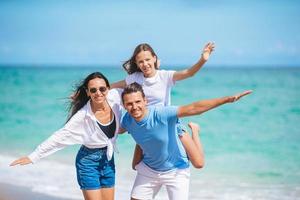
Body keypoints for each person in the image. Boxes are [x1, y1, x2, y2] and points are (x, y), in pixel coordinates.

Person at [120, 82, 252, 200]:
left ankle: (193, 131)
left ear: (145, 101)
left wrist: (227, 99)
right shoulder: (127, 120)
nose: (134, 107)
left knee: (199, 163)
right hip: (150, 168)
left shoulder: (161, 113)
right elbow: (111, 129)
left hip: (176, 169)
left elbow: (194, 108)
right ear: (124, 106)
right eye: (129, 104)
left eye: (138, 102)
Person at [10, 72, 123, 200]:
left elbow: (132, 83)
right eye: (93, 90)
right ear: (88, 92)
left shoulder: (115, 97)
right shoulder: (82, 116)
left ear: (108, 88)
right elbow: (59, 137)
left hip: (108, 160)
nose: (98, 93)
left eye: (102, 88)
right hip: (88, 163)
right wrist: (34, 156)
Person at [111, 42, 215, 168]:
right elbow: (111, 87)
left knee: (198, 164)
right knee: (135, 166)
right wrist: (88, 91)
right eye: (141, 61)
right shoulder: (134, 78)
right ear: (137, 64)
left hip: (167, 125)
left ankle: (195, 130)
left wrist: (203, 59)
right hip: (144, 128)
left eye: (147, 59)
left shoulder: (165, 76)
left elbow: (189, 73)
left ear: (154, 58)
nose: (145, 64)